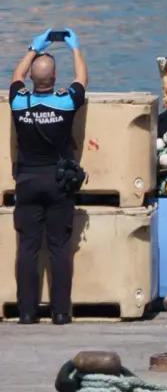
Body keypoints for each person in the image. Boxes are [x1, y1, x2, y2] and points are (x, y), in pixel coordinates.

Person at [9, 28, 88, 325]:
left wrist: (33, 47)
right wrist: (75, 49)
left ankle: (27, 313)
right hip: (57, 182)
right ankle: (60, 312)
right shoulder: (66, 102)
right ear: (54, 80)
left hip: (27, 181)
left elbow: (16, 76)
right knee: (58, 248)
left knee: (28, 249)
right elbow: (82, 80)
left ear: (32, 78)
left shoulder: (19, 101)